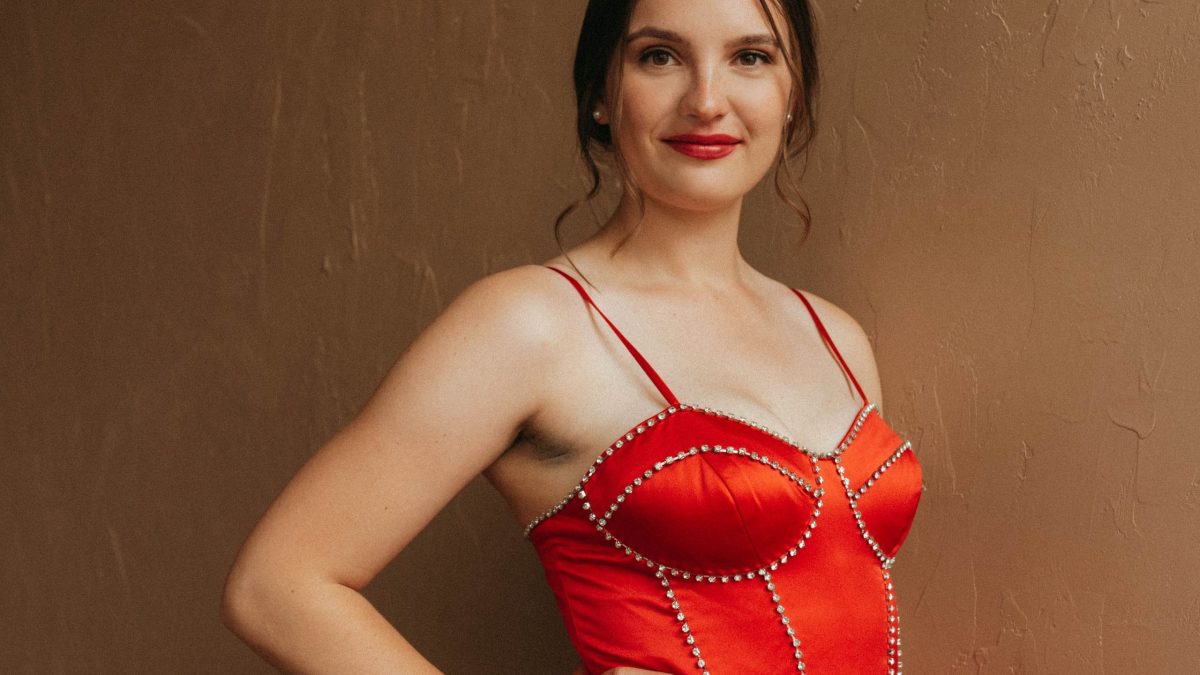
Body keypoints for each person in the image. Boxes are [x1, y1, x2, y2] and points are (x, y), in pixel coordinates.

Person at [221, 0, 923, 672]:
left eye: (750, 56)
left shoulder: (836, 335)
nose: (707, 99)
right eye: (659, 56)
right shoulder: (531, 324)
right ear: (601, 92)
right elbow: (275, 585)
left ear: (792, 92)